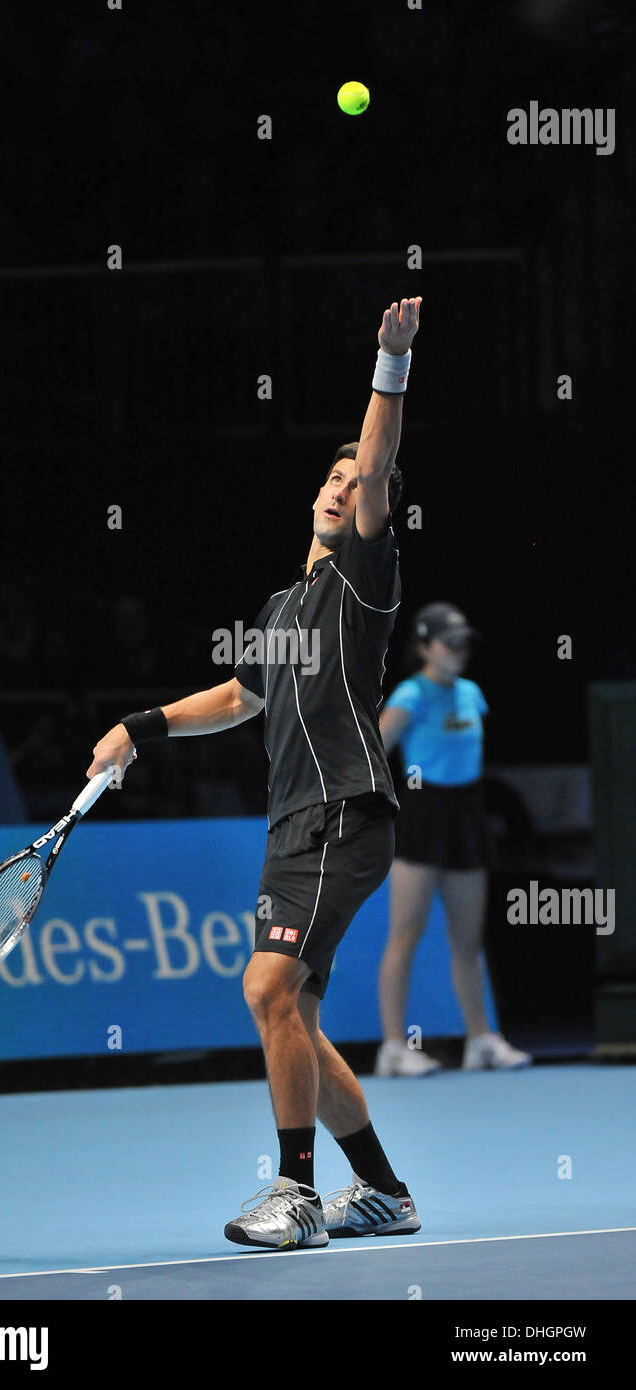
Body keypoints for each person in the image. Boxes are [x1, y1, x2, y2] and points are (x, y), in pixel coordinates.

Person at [87, 298, 423, 1250]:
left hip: (343, 812)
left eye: (357, 478)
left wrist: (388, 366)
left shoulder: (363, 578)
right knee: (298, 1020)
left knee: (264, 989)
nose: (343, 483)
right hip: (290, 827)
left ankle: (295, 1193)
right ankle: (385, 1193)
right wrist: (135, 728)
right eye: (331, 473)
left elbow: (379, 459)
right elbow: (239, 698)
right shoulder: (280, 606)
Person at [377, 604, 532, 1076]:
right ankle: (393, 1047)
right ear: (424, 646)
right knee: (405, 934)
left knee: (467, 940)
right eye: (449, 643)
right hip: (422, 814)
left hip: (467, 817)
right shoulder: (410, 694)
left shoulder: (472, 694)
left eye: (463, 643)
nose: (459, 652)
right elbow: (372, 754)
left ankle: (481, 1039)